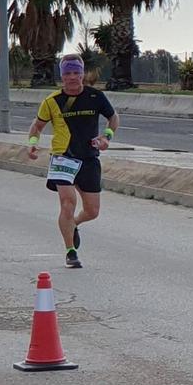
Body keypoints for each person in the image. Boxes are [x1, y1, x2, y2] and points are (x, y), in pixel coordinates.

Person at [27, 56, 117, 268]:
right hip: (63, 156)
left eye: (76, 73)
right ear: (62, 76)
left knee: (92, 211)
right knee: (68, 202)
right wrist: (32, 142)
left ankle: (73, 224)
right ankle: (71, 252)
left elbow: (113, 117)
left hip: (88, 157)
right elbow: (37, 126)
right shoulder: (52, 101)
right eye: (67, 73)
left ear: (82, 74)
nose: (72, 78)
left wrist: (107, 137)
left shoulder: (95, 96)